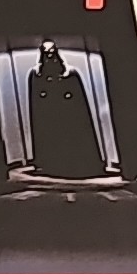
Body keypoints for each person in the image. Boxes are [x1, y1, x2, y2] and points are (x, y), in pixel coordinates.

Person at [27, 41, 104, 179]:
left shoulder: (70, 73)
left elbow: (79, 101)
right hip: (49, 115)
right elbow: (35, 101)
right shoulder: (36, 74)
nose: (49, 55)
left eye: (52, 51)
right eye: (46, 52)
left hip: (68, 115)